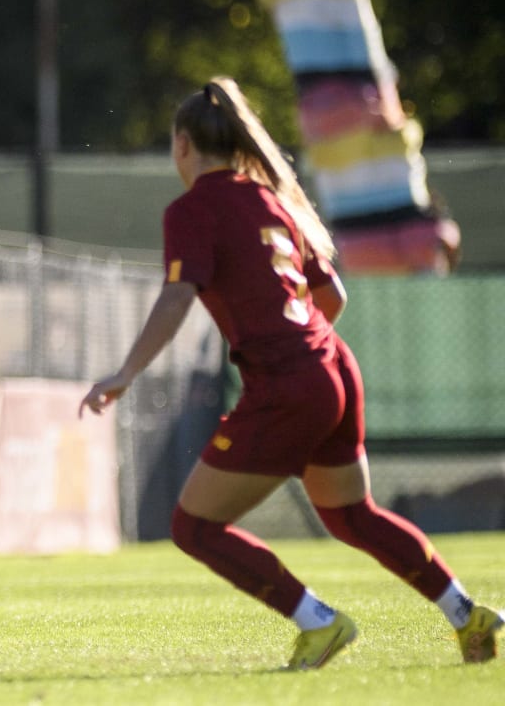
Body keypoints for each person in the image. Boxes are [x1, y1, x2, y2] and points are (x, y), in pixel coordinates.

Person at [80, 78, 503, 670]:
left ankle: (318, 622)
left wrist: (125, 372)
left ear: (182, 145)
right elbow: (333, 298)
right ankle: (467, 613)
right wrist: (298, 348)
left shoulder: (193, 208)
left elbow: (177, 298)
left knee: (194, 527)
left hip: (289, 383)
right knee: (352, 516)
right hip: (332, 368)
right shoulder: (273, 199)